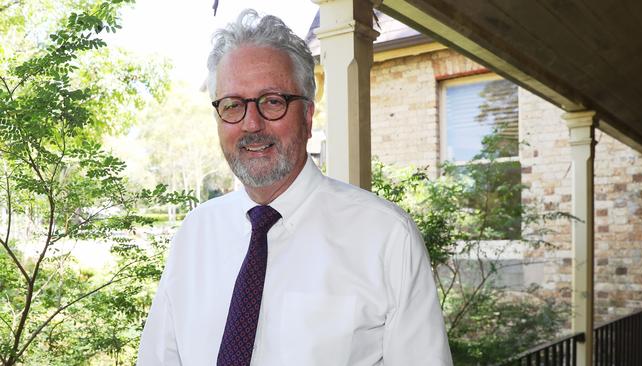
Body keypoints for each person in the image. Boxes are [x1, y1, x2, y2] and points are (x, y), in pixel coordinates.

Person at [137, 9, 452, 366]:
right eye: (232, 105)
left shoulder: (385, 237)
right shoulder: (194, 235)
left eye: (272, 101)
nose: (251, 123)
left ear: (307, 115)